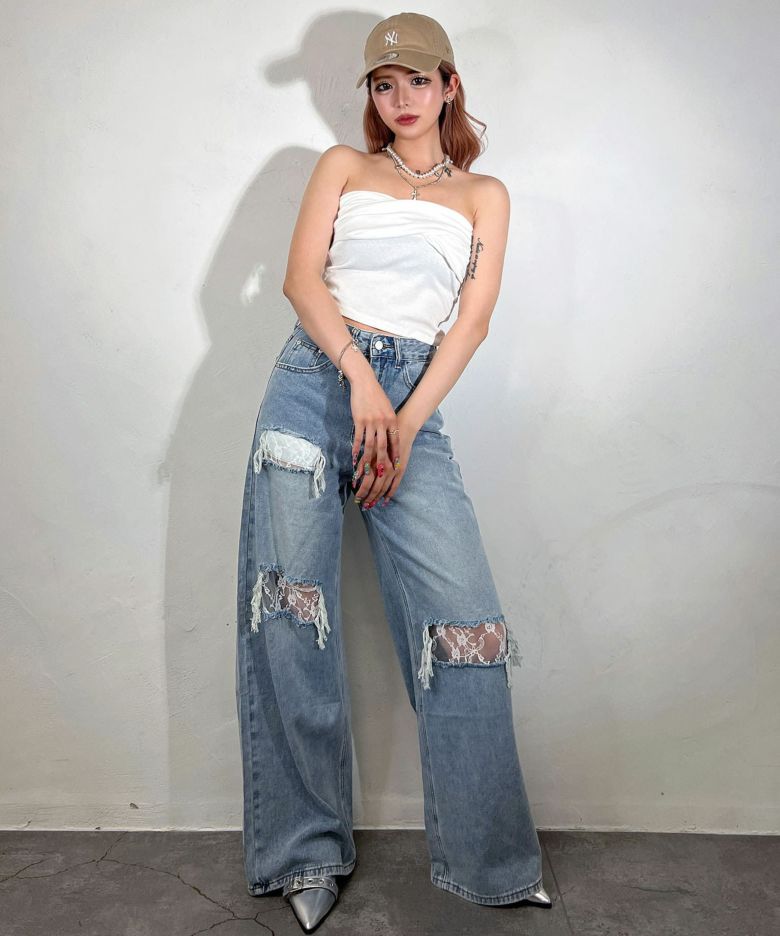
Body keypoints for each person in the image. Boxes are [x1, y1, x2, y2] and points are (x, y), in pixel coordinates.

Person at [235, 12, 551, 932]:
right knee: (291, 617)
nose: (401, 98)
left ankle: (491, 861)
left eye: (418, 80)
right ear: (372, 95)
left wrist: (405, 422)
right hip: (313, 385)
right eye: (384, 84)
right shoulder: (342, 166)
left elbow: (471, 323)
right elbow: (302, 281)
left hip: (412, 404)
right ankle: (303, 853)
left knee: (465, 627)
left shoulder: (485, 194)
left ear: (449, 85)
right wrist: (362, 379)